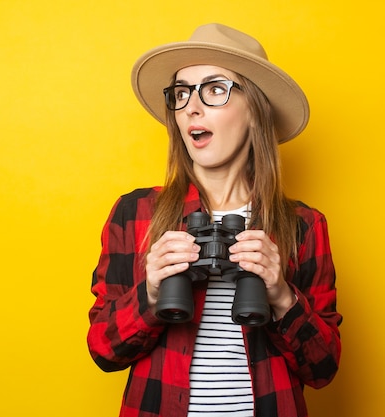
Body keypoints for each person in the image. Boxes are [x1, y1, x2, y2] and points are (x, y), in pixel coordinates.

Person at [86, 23, 342, 417]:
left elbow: (323, 369)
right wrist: (152, 293)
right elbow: (104, 351)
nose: (191, 106)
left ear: (255, 111)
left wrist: (281, 296)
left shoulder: (303, 225)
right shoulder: (136, 213)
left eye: (215, 89)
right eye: (183, 92)